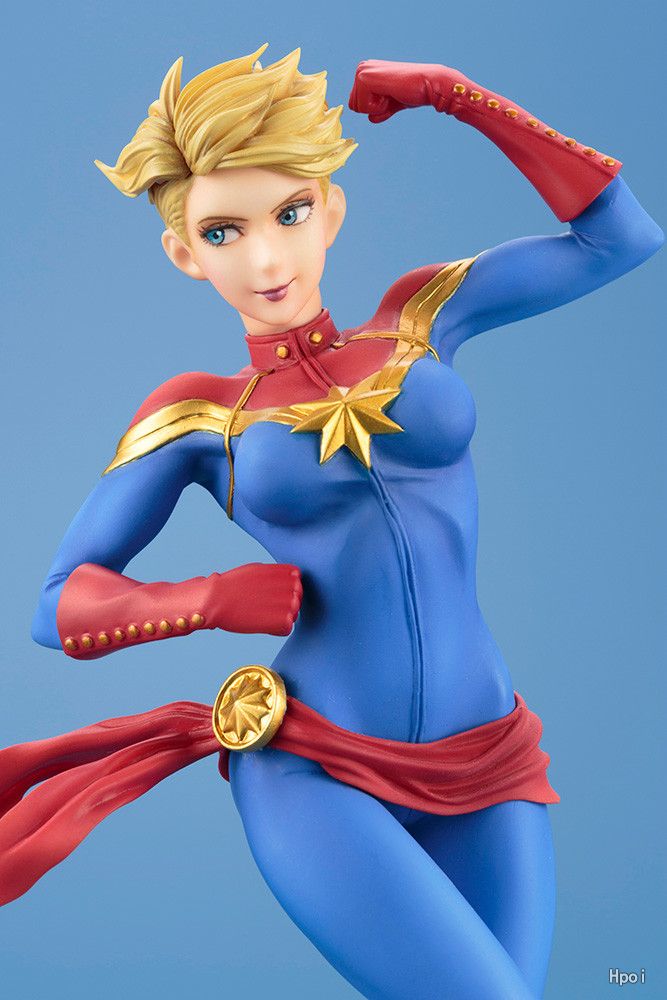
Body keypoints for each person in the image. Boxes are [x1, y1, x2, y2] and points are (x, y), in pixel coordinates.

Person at [3, 46, 662, 999]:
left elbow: (619, 238)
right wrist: (207, 598)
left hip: (490, 750)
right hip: (317, 765)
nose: (267, 258)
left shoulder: (422, 319)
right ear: (185, 253)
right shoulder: (200, 416)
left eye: (290, 212)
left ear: (332, 209)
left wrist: (457, 96)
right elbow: (57, 602)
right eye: (223, 231)